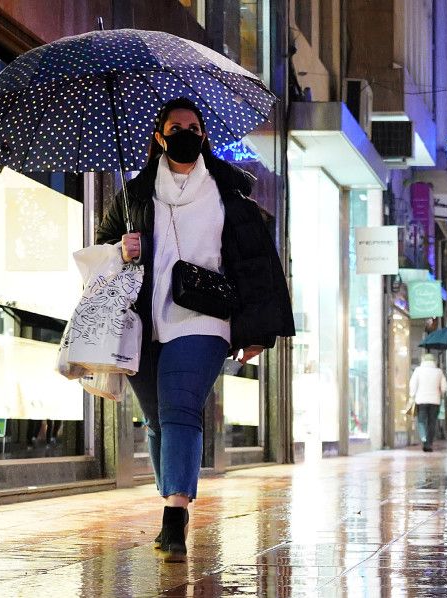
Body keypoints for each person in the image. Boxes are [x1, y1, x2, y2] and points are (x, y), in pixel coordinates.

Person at [95, 98, 294, 563]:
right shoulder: (135, 194)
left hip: (205, 319)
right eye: (175, 126)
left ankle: (174, 515)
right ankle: (172, 493)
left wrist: (256, 331)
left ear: (204, 136)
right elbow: (102, 252)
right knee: (159, 418)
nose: (185, 132)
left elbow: (255, 264)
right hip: (144, 322)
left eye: (193, 126)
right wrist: (120, 249)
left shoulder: (228, 192)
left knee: (181, 409)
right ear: (160, 136)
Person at [408, 353, 447, 452]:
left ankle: (423, 437)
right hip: (435, 400)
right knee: (432, 422)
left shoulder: (418, 370)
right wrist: (441, 393)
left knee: (421, 420)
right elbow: (444, 387)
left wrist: (412, 395)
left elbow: (413, 384)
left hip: (421, 400)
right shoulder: (439, 372)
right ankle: (429, 443)